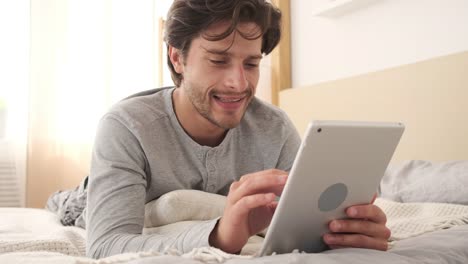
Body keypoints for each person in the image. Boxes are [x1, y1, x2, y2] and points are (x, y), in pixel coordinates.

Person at [86, 0, 391, 259]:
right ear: (177, 58)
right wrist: (218, 236)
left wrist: (346, 232)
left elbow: (300, 227)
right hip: (92, 191)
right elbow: (105, 246)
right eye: (219, 60)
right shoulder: (127, 127)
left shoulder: (275, 129)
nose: (239, 83)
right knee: (74, 204)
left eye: (251, 64)